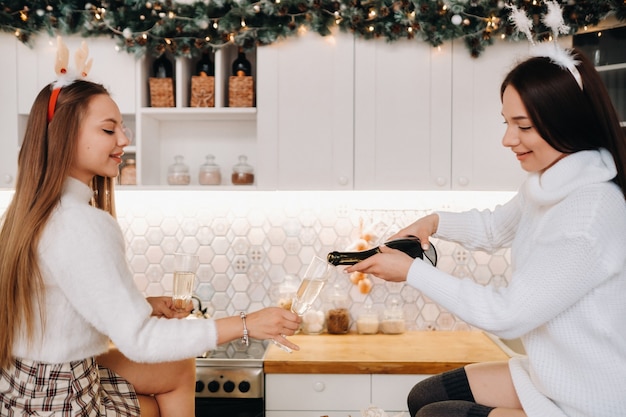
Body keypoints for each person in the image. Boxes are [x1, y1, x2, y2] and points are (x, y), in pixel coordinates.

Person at [346, 46, 626, 417]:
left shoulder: (589, 212)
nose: (508, 139)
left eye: (523, 126)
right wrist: (435, 222)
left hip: (588, 401)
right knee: (423, 396)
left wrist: (412, 272)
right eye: (506, 122)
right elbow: (495, 227)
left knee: (436, 414)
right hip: (551, 376)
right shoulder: (549, 183)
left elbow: (507, 314)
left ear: (566, 123)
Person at [0, 78, 301, 417]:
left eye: (122, 129)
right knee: (154, 402)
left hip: (22, 387)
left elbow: (60, 305)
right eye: (108, 130)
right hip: (62, 397)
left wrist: (141, 305)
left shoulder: (30, 212)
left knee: (175, 369)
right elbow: (140, 340)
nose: (124, 140)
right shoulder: (81, 224)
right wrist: (246, 324)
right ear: (66, 136)